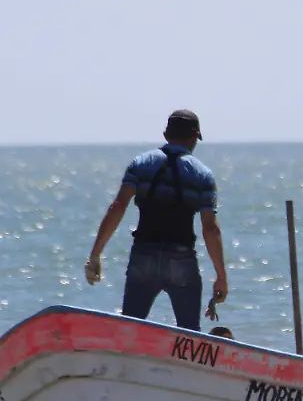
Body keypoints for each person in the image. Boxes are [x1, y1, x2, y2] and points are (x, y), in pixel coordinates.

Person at [84, 109, 228, 332]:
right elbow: (210, 228)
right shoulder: (202, 175)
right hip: (182, 259)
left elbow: (117, 207)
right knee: (189, 335)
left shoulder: (140, 164)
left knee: (131, 328)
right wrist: (221, 276)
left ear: (165, 134)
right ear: (194, 137)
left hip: (144, 255)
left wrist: (95, 254)